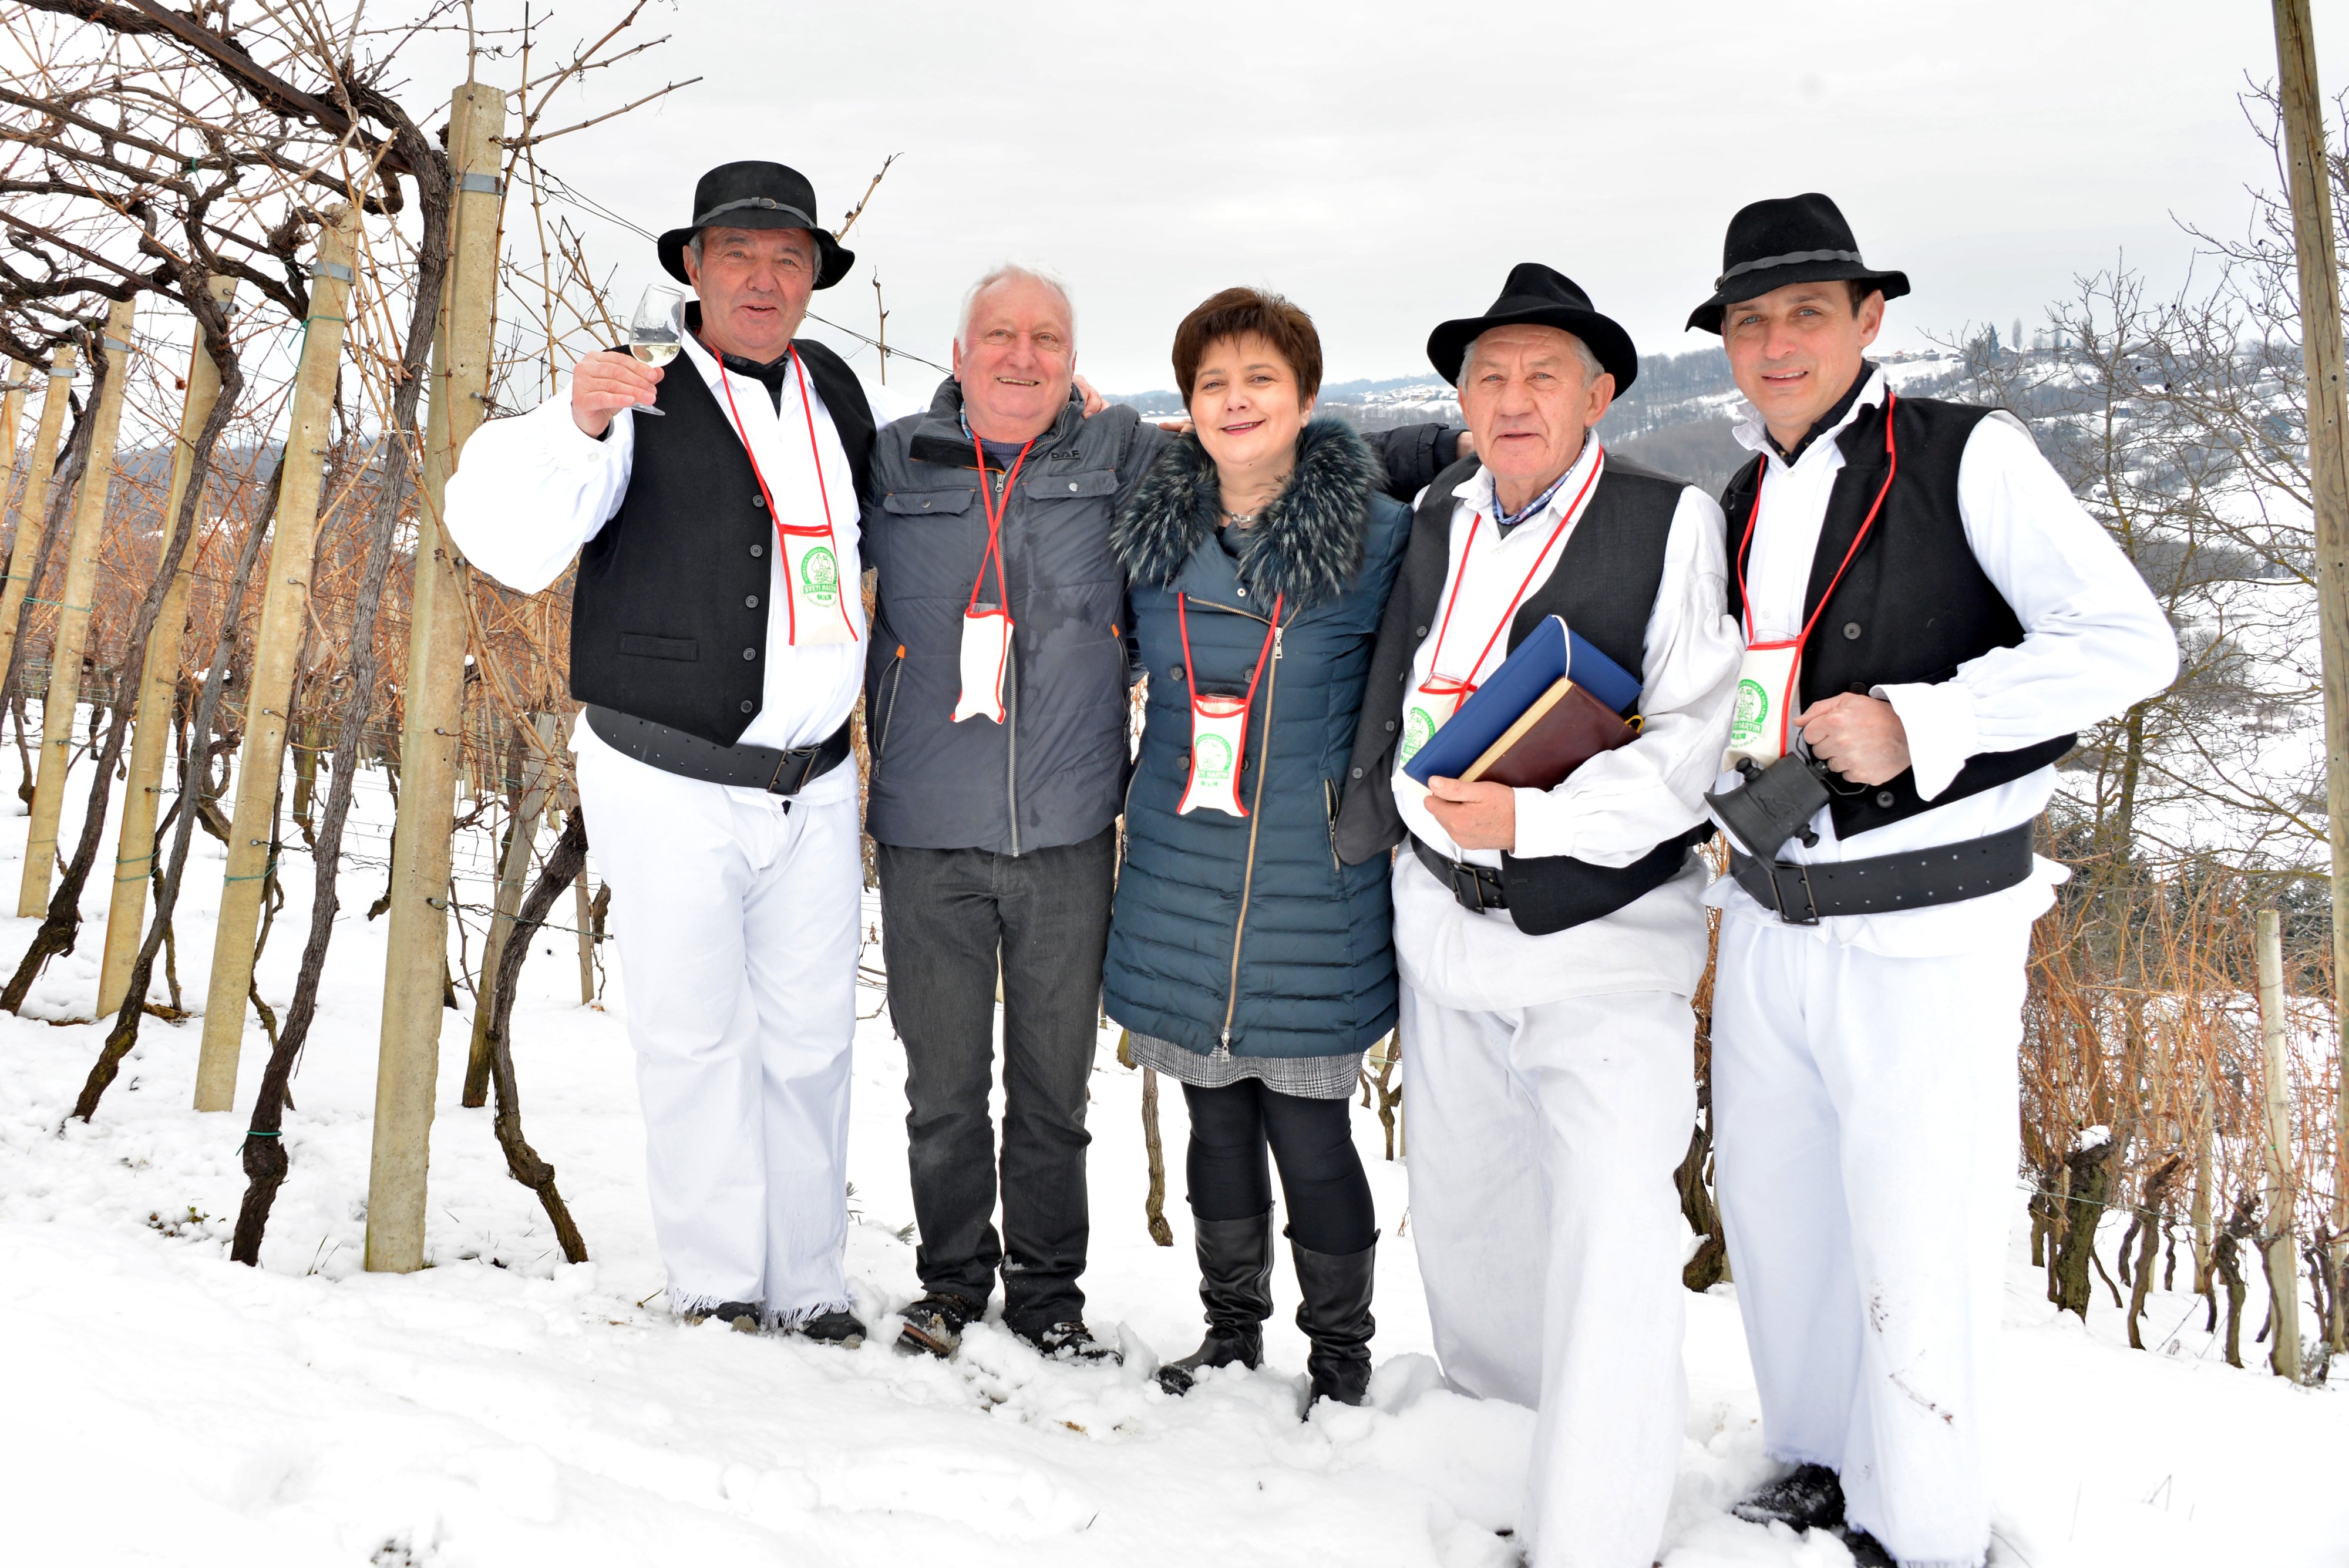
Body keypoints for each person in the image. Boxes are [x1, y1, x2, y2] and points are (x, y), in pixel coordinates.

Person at [1687, 194, 2176, 1568]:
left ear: (1866, 320)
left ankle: (1927, 1524)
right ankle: (1820, 1463)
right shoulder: (1739, 493)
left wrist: (1924, 720)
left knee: (1919, 1234)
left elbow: (2131, 644)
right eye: (1748, 320)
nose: (1774, 343)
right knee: (1782, 1221)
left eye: (1802, 314)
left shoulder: (1969, 456)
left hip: (1923, 930)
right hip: (1768, 912)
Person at [861, 267, 1466, 1362]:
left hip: (1092, 831)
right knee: (947, 1090)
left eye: (1048, 336)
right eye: (998, 334)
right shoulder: (899, 458)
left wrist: (1472, 441)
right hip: (948, 826)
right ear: (958, 353)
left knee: (1061, 1094)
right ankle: (955, 1286)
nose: (1022, 355)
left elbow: (1301, 460)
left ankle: (1056, 1298)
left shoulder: (1133, 465)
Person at [1330, 264, 1744, 1567]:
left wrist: (1539, 823)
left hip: (1596, 939)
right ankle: (1502, 1461)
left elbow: (1693, 741)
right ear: (1459, 399)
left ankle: (1596, 1535)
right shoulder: (1441, 508)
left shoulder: (1664, 521)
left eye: (1541, 376)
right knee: (1468, 1218)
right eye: (1489, 377)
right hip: (1439, 921)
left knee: (1612, 1233)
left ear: (1598, 393)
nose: (1512, 400)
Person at [444, 161, 874, 1344]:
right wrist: (575, 419)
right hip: (669, 775)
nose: (763, 278)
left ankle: (810, 1282)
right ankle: (719, 1285)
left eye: (788, 258)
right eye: (738, 254)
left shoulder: (833, 386)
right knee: (692, 1032)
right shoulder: (632, 384)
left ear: (811, 279)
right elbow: (502, 532)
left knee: (810, 1037)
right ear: (691, 265)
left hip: (817, 781)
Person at [1102, 287, 1408, 1408]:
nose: (1237, 403)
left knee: (1313, 1133)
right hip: (1181, 872)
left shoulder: (1380, 537)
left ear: (1307, 399)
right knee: (1213, 1122)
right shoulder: (1152, 537)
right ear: (1188, 405)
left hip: (1311, 885)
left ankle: (1341, 1359)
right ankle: (1231, 1333)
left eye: (1261, 381)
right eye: (1214, 385)